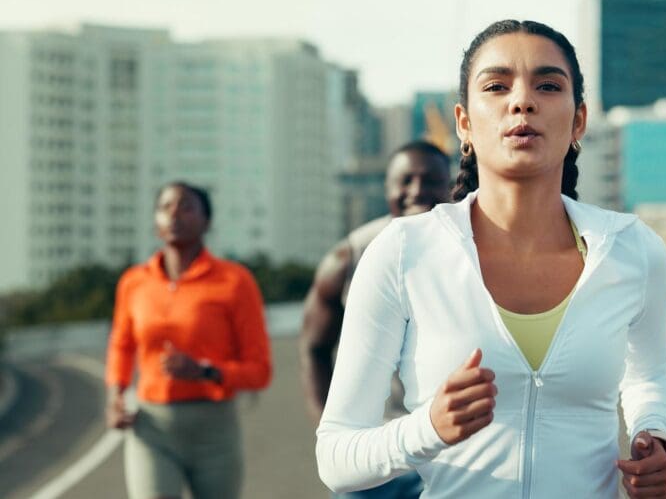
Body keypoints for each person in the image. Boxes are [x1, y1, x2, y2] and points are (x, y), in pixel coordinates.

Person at [315, 20, 666, 499]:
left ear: (579, 121)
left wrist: (652, 431)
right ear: (464, 122)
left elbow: (648, 373)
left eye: (548, 85)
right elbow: (335, 459)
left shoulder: (634, 249)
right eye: (496, 86)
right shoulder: (404, 251)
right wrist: (427, 429)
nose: (522, 101)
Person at [300, 140, 451, 498]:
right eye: (406, 180)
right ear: (387, 189)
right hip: (373, 453)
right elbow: (314, 348)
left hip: (450, 452)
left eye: (431, 180)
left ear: (452, 187)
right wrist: (329, 429)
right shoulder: (349, 256)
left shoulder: (477, 252)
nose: (417, 190)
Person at [105, 181, 273, 499]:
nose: (175, 215)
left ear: (206, 221)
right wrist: (115, 395)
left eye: (186, 206)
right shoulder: (134, 283)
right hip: (152, 427)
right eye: (165, 207)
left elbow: (260, 370)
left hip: (215, 431)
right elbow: (121, 345)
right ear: (156, 222)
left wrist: (205, 371)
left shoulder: (235, 282)